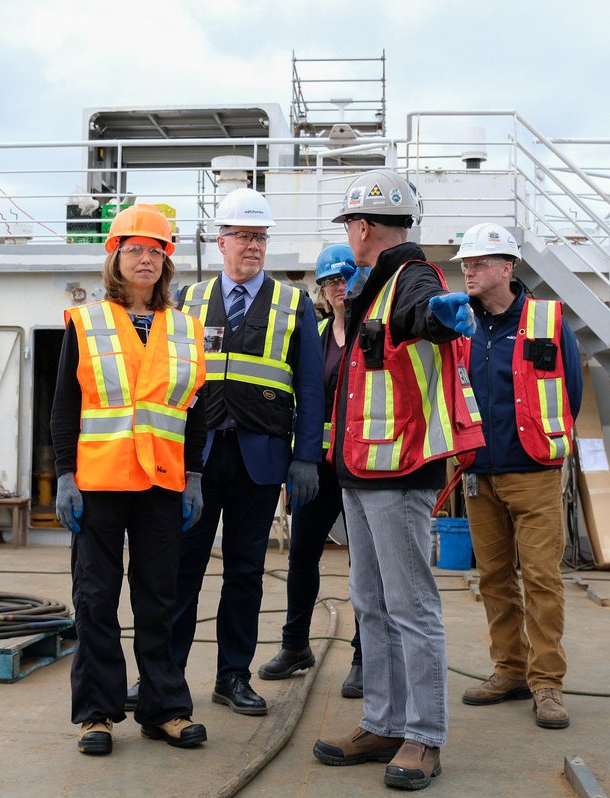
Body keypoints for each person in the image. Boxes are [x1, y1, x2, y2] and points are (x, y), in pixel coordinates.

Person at [312, 169, 484, 791]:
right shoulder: (372, 285)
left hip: (401, 470)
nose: (350, 235)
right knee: (371, 602)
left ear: (362, 226)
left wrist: (438, 319)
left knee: (410, 605)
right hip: (363, 470)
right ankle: (382, 723)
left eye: (350, 226)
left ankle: (424, 736)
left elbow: (422, 316)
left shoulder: (412, 278)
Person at [49, 204, 208, 756]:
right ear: (115, 258)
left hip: (162, 483)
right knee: (96, 599)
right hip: (98, 482)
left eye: (156, 250)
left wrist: (194, 475)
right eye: (134, 249)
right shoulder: (86, 322)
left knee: (158, 598)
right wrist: (65, 474)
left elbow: (195, 411)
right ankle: (96, 715)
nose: (146, 259)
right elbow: (65, 406)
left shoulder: (186, 329)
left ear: (167, 262)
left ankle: (165, 709)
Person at [168, 187, 324, 716]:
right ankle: (165, 678)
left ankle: (232, 677)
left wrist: (306, 456)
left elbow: (310, 385)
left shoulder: (293, 303)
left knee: (245, 572)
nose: (253, 246)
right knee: (181, 569)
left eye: (260, 237)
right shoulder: (187, 301)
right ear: (222, 242)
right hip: (196, 459)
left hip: (260, 459)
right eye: (243, 236)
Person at [454, 223, 582, 730]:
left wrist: (545, 446)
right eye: (465, 263)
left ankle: (546, 681)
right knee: (493, 579)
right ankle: (509, 669)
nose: (469, 271)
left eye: (478, 263)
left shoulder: (547, 321)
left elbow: (571, 392)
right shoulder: (459, 323)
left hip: (533, 471)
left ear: (507, 268)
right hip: (478, 473)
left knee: (542, 579)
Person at [257, 244, 363, 698]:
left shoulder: (372, 331)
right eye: (330, 281)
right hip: (316, 466)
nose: (339, 287)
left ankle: (364, 656)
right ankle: (295, 646)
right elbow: (298, 398)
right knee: (302, 555)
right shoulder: (315, 334)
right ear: (321, 289)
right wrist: (295, 462)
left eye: (346, 278)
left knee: (364, 565)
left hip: (361, 465)